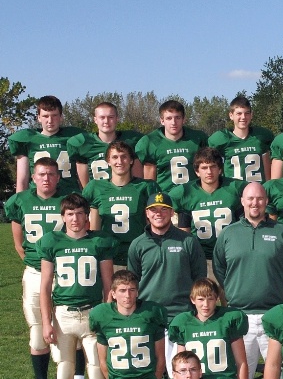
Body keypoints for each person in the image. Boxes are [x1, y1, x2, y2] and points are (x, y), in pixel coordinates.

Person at [213, 182, 283, 379]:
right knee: (240, 378)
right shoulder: (228, 234)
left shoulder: (282, 232)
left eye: (260, 198)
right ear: (242, 201)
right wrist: (236, 291)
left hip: (275, 315)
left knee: (281, 376)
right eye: (250, 198)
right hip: (240, 316)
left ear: (266, 202)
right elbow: (220, 269)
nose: (255, 203)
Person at [37, 193, 116, 379]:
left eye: (80, 213)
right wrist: (46, 322)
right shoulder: (52, 241)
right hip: (64, 315)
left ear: (87, 216)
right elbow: (46, 286)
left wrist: (107, 315)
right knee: (65, 368)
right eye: (70, 214)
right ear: (63, 217)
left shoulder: (99, 241)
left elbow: (108, 283)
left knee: (96, 367)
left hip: (92, 311)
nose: (75, 218)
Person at [7, 157, 82, 379]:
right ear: (33, 178)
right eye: (41, 174)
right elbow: (18, 241)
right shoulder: (21, 201)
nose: (46, 178)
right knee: (38, 328)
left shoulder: (68, 199)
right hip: (37, 270)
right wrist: (33, 261)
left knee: (73, 323)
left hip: (67, 268)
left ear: (58, 177)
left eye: (51, 174)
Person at [127, 192, 206, 375]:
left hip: (180, 316)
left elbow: (199, 280)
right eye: (153, 210)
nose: (158, 213)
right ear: (147, 213)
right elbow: (133, 282)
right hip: (149, 317)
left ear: (172, 213)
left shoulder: (188, 241)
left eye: (164, 209)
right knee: (148, 372)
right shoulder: (137, 245)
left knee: (179, 373)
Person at [83, 140, 159, 268]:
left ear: (131, 160)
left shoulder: (145, 187)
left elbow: (153, 223)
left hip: (138, 256)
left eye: (124, 156)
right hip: (107, 258)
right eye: (115, 157)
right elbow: (91, 224)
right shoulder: (96, 187)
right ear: (108, 161)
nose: (119, 161)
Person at [170, 147, 245, 276]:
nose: (209, 172)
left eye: (213, 166)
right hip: (200, 256)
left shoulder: (234, 188)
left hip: (230, 254)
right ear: (197, 171)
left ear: (220, 169)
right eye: (204, 168)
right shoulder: (185, 192)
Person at [9, 95, 84, 193]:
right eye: (45, 116)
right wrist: (19, 202)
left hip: (69, 197)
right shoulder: (27, 139)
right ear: (39, 118)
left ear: (61, 117)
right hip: (38, 198)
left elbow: (84, 172)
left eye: (54, 115)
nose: (50, 121)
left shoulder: (74, 137)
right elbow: (22, 179)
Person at [135, 100, 208, 192]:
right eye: (169, 118)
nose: (174, 122)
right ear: (162, 120)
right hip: (165, 198)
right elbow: (149, 180)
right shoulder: (150, 142)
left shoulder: (198, 139)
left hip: (193, 196)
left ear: (184, 119)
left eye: (177, 117)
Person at [68, 101, 144, 186]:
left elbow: (138, 180)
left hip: (126, 192)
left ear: (117, 119)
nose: (106, 121)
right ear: (95, 120)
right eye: (102, 117)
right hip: (98, 196)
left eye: (111, 117)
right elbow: (85, 186)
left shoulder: (131, 140)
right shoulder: (84, 143)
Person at [208, 95, 274, 183]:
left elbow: (268, 164)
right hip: (233, 193)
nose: (243, 117)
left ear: (251, 115)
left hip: (257, 192)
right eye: (239, 113)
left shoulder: (261, 136)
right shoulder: (222, 139)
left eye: (247, 113)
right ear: (231, 115)